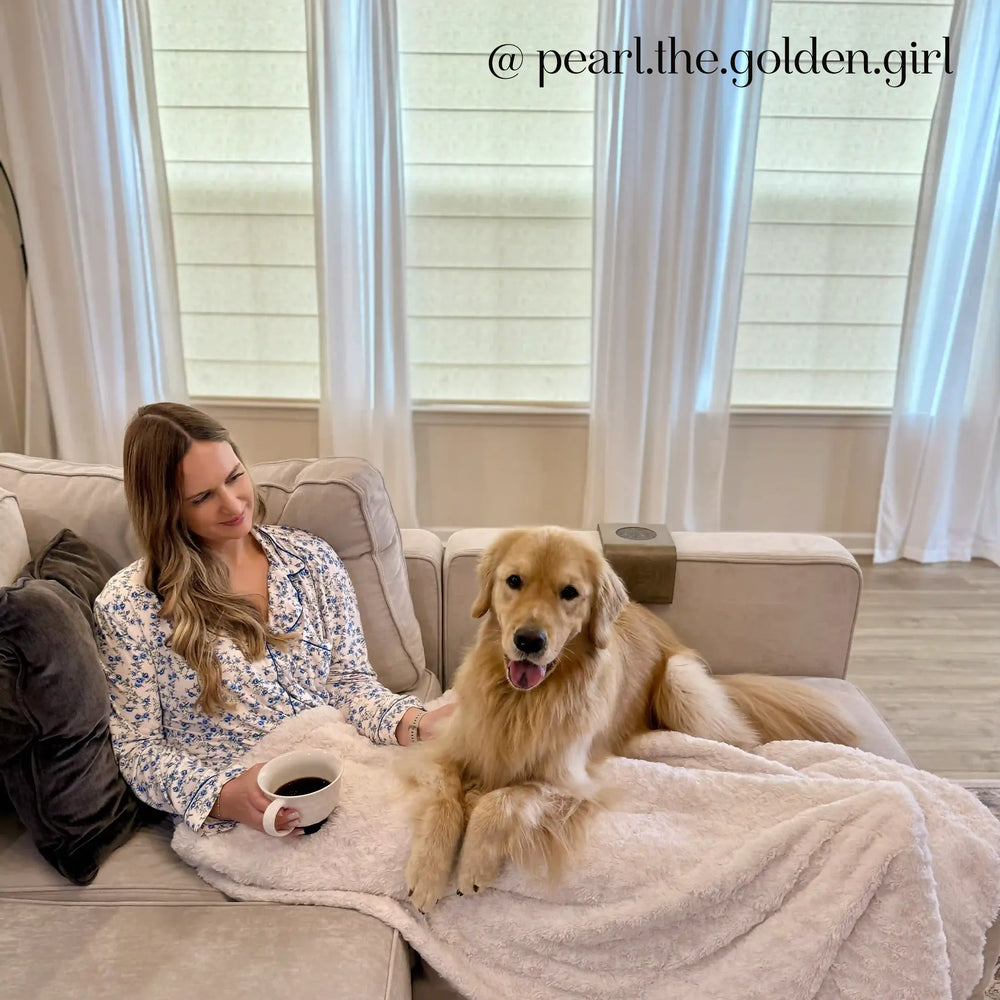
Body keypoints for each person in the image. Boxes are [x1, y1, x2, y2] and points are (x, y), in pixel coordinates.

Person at [93, 401, 453, 837]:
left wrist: (415, 724)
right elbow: (137, 748)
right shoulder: (129, 607)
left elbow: (350, 683)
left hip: (345, 767)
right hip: (249, 813)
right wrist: (223, 796)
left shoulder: (312, 559)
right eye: (203, 497)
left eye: (234, 477)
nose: (232, 504)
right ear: (166, 508)